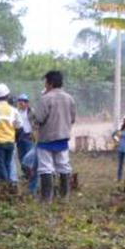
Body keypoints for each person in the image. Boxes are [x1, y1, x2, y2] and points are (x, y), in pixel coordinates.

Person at [33, 70, 77, 200]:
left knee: (45, 168)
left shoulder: (46, 98)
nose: (45, 85)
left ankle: (47, 198)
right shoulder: (70, 98)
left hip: (46, 139)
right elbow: (73, 118)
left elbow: (39, 119)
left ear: (50, 83)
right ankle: (64, 196)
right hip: (63, 138)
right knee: (63, 166)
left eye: (46, 82)